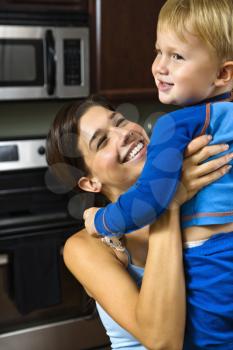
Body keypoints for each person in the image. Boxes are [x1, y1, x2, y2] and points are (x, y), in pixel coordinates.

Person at [83, 1, 233, 348]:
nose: (159, 67)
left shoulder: (174, 124)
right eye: (158, 51)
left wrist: (101, 221)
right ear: (88, 181)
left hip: (209, 264)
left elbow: (150, 201)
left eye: (177, 56)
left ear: (223, 74)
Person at [46, 95, 232, 349]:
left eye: (120, 122)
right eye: (102, 141)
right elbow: (163, 341)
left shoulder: (204, 201)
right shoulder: (85, 247)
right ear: (91, 183)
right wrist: (168, 203)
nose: (124, 134)